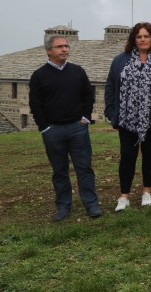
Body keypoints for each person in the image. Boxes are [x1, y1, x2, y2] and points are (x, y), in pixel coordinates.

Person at [29, 34, 102, 221]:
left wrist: (85, 118)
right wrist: (44, 128)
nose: (64, 49)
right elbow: (35, 104)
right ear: (49, 51)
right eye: (60, 46)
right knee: (59, 171)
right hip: (53, 131)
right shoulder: (39, 76)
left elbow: (88, 96)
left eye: (66, 46)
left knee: (84, 168)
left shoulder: (77, 71)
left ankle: (91, 204)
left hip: (78, 128)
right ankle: (63, 207)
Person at [104, 22, 151, 212]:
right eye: (139, 36)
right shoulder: (120, 60)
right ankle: (124, 196)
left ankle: (146, 192)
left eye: (146, 36)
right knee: (127, 156)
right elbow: (110, 86)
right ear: (134, 39)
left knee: (150, 155)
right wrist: (112, 112)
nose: (142, 39)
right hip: (126, 118)